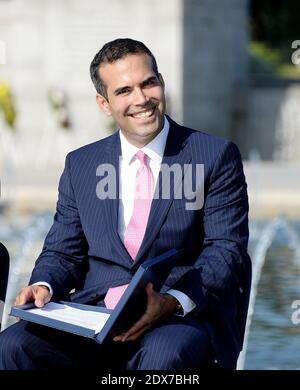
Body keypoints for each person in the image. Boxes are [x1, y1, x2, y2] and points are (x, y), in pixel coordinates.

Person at [0, 38, 251, 370]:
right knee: (13, 346)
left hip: (174, 315)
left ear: (161, 83)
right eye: (124, 91)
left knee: (165, 357)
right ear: (104, 103)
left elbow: (226, 250)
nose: (141, 99)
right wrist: (43, 285)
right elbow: (63, 250)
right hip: (92, 316)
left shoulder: (214, 156)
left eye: (149, 83)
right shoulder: (81, 164)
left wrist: (172, 301)